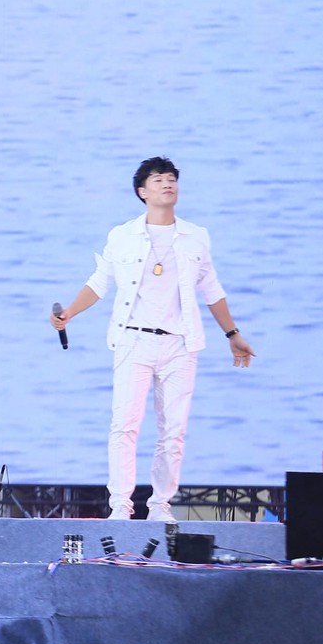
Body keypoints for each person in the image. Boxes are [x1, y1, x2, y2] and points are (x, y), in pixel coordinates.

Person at [51, 157, 255, 521]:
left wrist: (233, 334)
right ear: (143, 192)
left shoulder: (196, 235)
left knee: (173, 431)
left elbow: (211, 288)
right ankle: (120, 506)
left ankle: (161, 505)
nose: (168, 184)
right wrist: (69, 312)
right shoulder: (122, 235)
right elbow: (100, 282)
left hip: (180, 344)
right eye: (159, 180)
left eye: (173, 179)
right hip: (134, 341)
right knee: (125, 425)